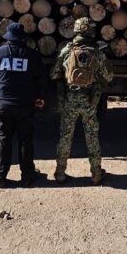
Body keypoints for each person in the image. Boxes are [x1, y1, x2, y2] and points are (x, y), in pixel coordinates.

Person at [0, 23, 46, 188]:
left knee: (3, 139)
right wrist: (40, 97)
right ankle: (27, 177)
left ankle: (0, 177)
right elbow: (41, 79)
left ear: (8, 38)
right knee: (25, 140)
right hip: (25, 105)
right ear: (23, 39)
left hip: (3, 105)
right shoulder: (33, 56)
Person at [51, 17, 113, 186]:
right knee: (92, 137)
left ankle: (60, 173)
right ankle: (96, 174)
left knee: (65, 137)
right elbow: (109, 76)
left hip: (69, 100)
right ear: (90, 31)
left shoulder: (66, 50)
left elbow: (54, 74)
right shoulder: (97, 52)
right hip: (90, 101)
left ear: (76, 30)